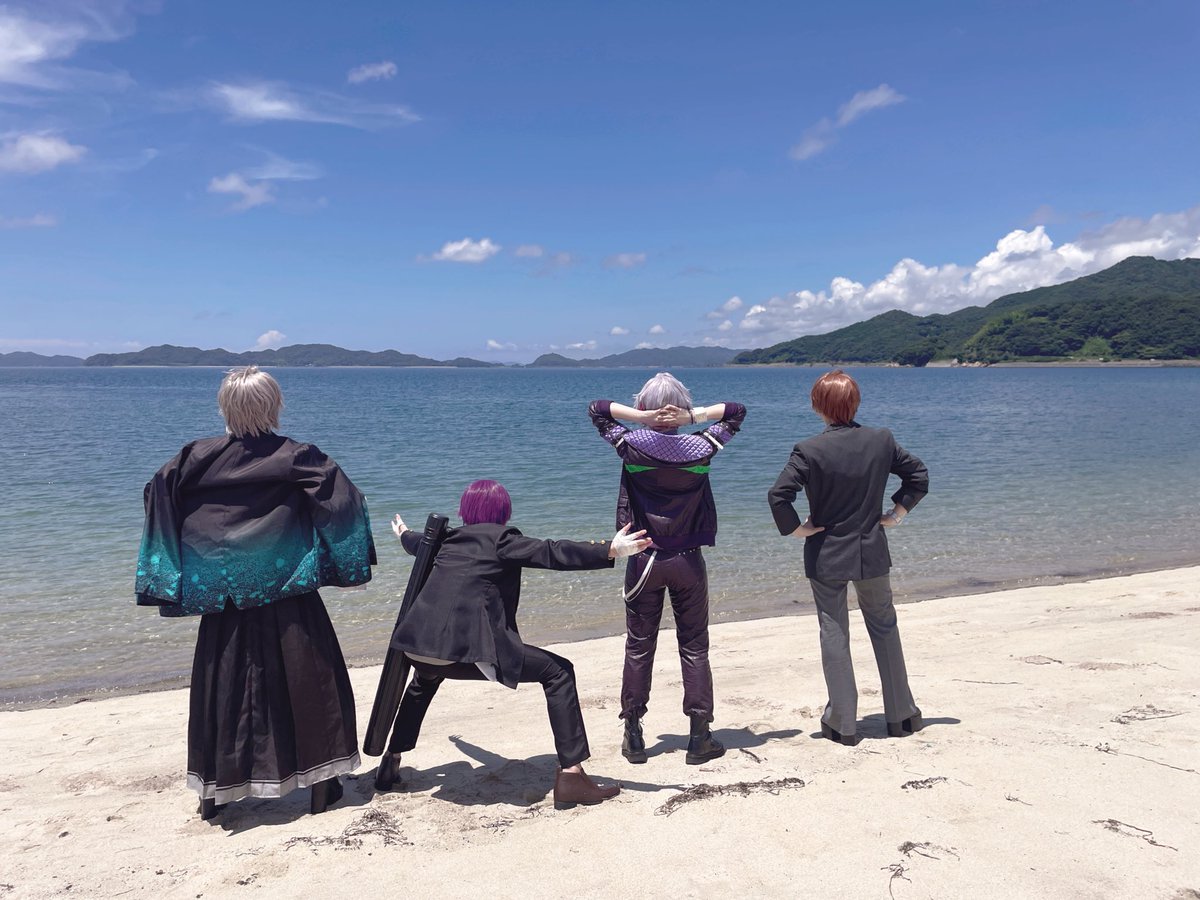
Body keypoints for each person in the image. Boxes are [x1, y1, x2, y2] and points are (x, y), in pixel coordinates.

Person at [135, 366, 376, 819]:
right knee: (311, 685)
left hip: (224, 599)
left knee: (223, 689)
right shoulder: (298, 456)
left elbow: (156, 496)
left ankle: (213, 795)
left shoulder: (193, 458)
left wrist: (195, 555)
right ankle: (321, 790)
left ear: (224, 407)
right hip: (288, 592)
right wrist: (333, 559)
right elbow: (344, 502)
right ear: (274, 405)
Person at [376, 480, 650, 810]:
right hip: (461, 652)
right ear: (504, 511)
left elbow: (417, 544)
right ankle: (572, 776)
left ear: (465, 511)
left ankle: (391, 760)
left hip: (417, 648)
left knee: (424, 681)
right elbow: (551, 552)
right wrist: (609, 549)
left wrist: (403, 533)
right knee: (558, 672)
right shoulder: (503, 540)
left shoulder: (447, 539)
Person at [588, 373, 746, 765]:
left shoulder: (630, 445)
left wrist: (643, 418)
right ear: (682, 407)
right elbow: (736, 412)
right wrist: (691, 417)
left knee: (639, 645)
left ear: (643, 406)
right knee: (694, 645)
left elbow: (598, 410)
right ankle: (699, 736)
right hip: (688, 559)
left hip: (643, 558)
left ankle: (633, 735)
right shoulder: (702, 446)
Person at [767, 369, 928, 746]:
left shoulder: (808, 450)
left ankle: (842, 722)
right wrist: (896, 515)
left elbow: (779, 496)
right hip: (871, 550)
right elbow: (918, 476)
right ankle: (901, 715)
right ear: (855, 403)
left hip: (826, 554)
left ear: (817, 406)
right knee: (884, 626)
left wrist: (798, 530)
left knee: (834, 630)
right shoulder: (881, 440)